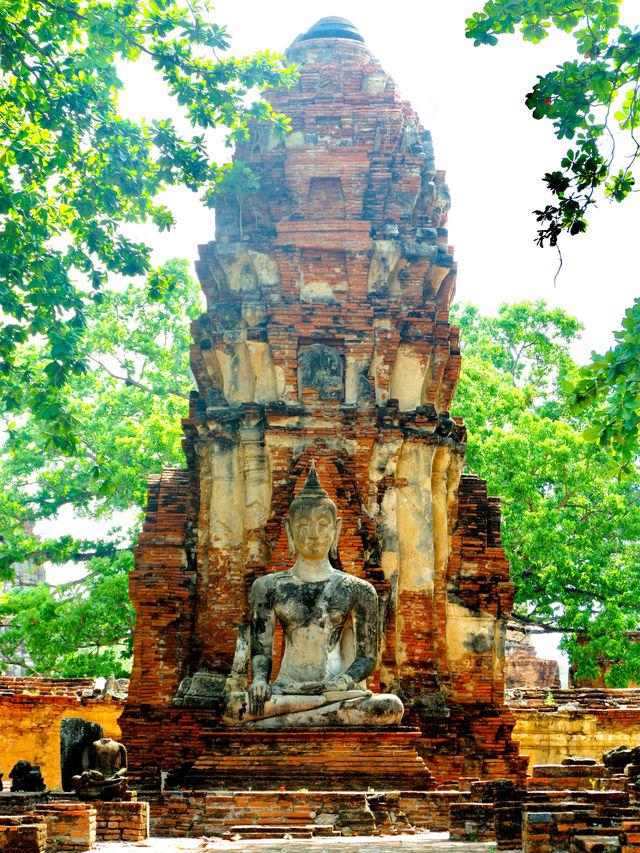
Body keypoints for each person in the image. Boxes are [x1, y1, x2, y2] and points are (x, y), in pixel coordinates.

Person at [223, 463, 404, 727]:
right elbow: (261, 652)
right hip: (285, 689)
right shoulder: (267, 587)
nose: (313, 534)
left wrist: (344, 681)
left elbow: (368, 657)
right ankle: (311, 713)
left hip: (335, 691)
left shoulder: (359, 590)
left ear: (336, 530)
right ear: (289, 529)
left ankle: (293, 716)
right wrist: (260, 681)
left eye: (322, 524)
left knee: (390, 707)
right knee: (233, 708)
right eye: (304, 524)